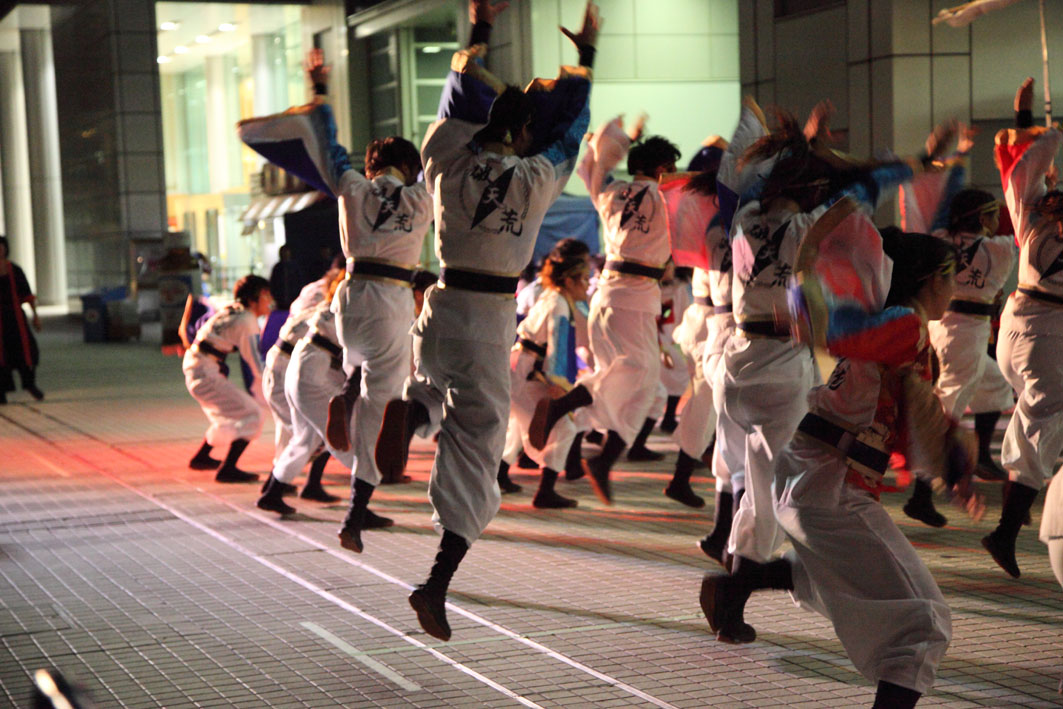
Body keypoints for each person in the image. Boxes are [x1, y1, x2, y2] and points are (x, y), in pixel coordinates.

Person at [372, 0, 597, 642]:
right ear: (524, 135)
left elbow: (455, 99)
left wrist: (480, 30)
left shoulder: (444, 157)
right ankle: (435, 584)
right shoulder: (536, 176)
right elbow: (571, 131)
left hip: (439, 304)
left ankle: (410, 413)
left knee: (432, 392)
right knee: (476, 452)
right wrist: (584, 59)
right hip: (489, 315)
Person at [702, 225, 973, 709]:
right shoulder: (903, 326)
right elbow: (898, 395)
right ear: (935, 279)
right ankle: (742, 581)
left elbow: (906, 411)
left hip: (807, 475)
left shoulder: (890, 326)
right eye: (954, 277)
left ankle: (741, 582)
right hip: (832, 486)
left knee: (845, 578)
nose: (957, 289)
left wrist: (951, 452)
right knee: (924, 625)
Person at [714, 102, 958, 602]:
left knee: (760, 481)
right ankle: (749, 582)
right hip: (782, 363)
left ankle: (737, 577)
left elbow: (776, 185)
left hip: (737, 357)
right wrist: (918, 160)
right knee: (782, 490)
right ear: (810, 191)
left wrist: (810, 149)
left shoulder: (745, 219)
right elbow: (864, 188)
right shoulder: (810, 229)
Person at [529, 115, 678, 503]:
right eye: (671, 169)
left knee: (627, 380)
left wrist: (624, 139)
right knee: (643, 383)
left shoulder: (610, 194)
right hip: (633, 298)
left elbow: (591, 166)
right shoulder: (666, 199)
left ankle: (595, 443)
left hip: (606, 297)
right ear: (662, 171)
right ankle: (582, 424)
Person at [983, 77, 1063, 578]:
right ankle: (1009, 531)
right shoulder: (1034, 218)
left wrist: (1030, 126)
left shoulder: (1030, 219)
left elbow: (1022, 170)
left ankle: (1006, 531)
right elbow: (1026, 169)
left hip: (1021, 327)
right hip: (1043, 336)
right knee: (1044, 430)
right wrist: (1035, 128)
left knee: (1034, 426)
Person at [257, 289, 391, 533]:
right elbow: (355, 359)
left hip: (297, 367)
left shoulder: (336, 303)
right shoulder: (359, 311)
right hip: (311, 373)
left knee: (306, 438)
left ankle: (273, 491)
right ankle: (359, 509)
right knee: (348, 438)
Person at [504, 245, 592, 508]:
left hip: (520, 364)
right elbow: (557, 344)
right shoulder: (560, 305)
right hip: (528, 370)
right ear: (568, 280)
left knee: (517, 425)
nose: (587, 285)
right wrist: (558, 384)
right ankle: (545, 491)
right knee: (565, 427)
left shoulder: (552, 296)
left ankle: (499, 475)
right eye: (584, 279)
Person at [184, 275, 272, 482]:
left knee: (227, 415)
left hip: (199, 367)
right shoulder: (247, 320)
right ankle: (228, 468)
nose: (269, 300)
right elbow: (255, 362)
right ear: (253, 299)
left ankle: (202, 457)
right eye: (265, 295)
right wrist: (272, 382)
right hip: (204, 371)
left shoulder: (231, 310)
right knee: (253, 414)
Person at [0, 236, 43, 404]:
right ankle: (1, 392)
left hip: (15, 319)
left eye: (2, 247)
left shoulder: (15, 270)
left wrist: (36, 316)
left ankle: (30, 384)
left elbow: (27, 294)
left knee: (28, 351)